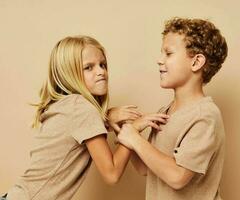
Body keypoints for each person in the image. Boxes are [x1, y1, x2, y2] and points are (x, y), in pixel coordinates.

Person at [2, 35, 168, 200]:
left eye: (102, 65)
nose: (101, 72)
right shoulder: (81, 108)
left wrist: (106, 117)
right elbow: (112, 174)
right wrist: (132, 130)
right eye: (88, 67)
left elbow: (72, 129)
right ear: (69, 74)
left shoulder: (67, 106)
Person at [117, 17, 228, 200]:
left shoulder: (205, 116)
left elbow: (178, 177)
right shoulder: (166, 111)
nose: (159, 60)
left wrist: (134, 139)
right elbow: (144, 168)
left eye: (168, 54)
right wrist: (127, 130)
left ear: (196, 62)